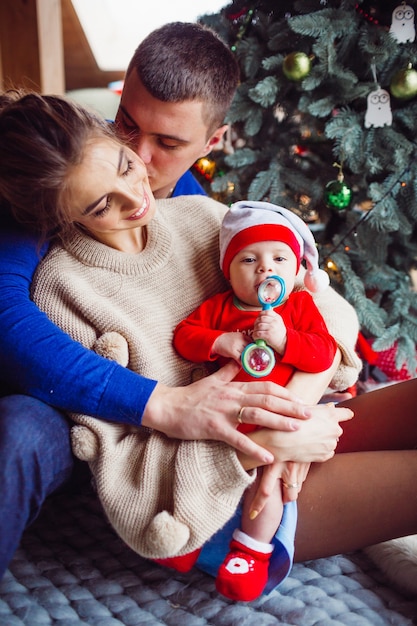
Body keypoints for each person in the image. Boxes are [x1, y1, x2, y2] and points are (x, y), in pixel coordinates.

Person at [0, 22, 361, 580]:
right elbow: (7, 318)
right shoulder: (61, 179)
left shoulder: (196, 214)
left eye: (167, 145)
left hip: (249, 418)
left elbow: (310, 296)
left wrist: (296, 409)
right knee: (22, 429)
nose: (139, 161)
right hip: (100, 423)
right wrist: (164, 405)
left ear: (209, 145)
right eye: (126, 126)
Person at [171, 201, 338, 600]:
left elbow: (323, 353)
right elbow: (184, 336)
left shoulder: (298, 306)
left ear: (297, 271)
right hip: (227, 414)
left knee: (269, 488)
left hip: (278, 416)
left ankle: (250, 554)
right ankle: (183, 537)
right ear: (227, 272)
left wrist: (285, 339)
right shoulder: (219, 308)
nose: (265, 269)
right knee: (198, 473)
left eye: (279, 258)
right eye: (249, 259)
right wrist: (220, 341)